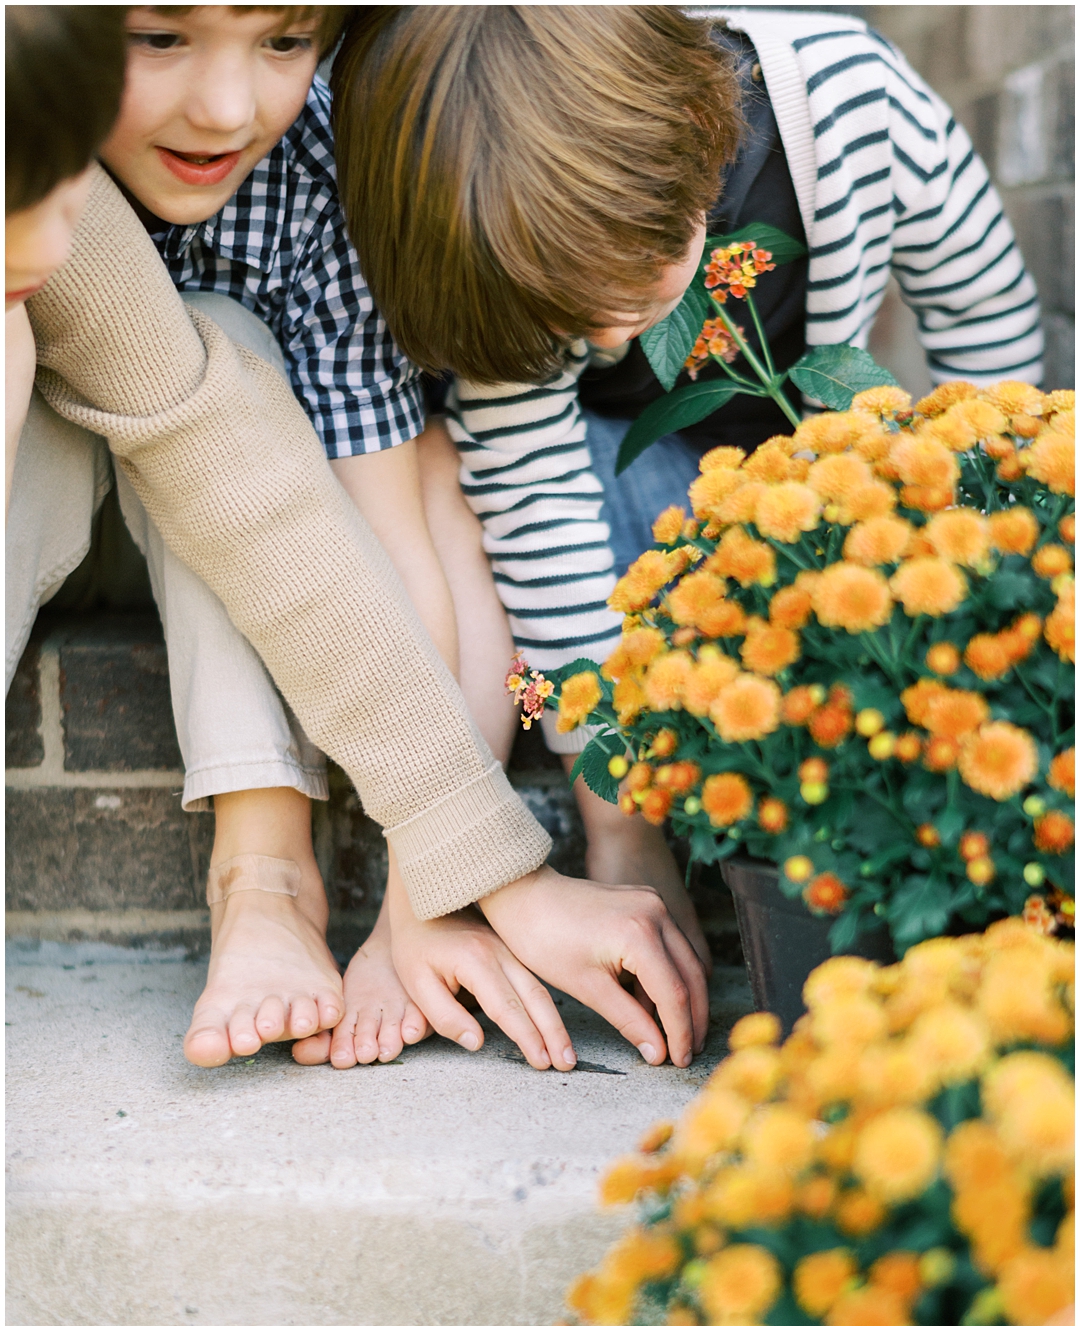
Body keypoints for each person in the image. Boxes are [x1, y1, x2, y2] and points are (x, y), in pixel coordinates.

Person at [8, 6, 710, 1073]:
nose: (229, 105)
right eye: (160, 37)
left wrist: (450, 866)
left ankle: (269, 876)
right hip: (43, 481)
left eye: (286, 41)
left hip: (201, 453)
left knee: (213, 350)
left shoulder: (320, 180)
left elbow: (364, 517)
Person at [330, 4, 1045, 919]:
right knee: (512, 532)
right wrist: (622, 826)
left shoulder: (853, 101)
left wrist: (986, 531)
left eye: (631, 287)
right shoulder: (500, 223)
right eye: (567, 322)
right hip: (621, 494)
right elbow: (537, 507)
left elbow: (981, 315)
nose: (610, 335)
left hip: (802, 480)